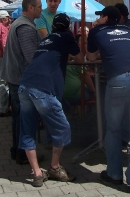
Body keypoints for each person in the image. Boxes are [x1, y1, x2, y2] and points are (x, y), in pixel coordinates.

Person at [87, 6, 130, 194]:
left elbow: (90, 57)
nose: (98, 19)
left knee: (113, 129)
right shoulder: (128, 30)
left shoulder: (96, 31)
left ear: (105, 18)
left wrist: (103, 53)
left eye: (100, 16)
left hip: (118, 79)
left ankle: (114, 174)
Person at [18, 13, 83, 187]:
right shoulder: (67, 37)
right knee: (62, 128)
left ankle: (37, 173)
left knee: (27, 128)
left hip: (24, 85)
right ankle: (54, 167)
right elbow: (80, 58)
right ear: (68, 27)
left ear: (53, 26)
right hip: (42, 89)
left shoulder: (45, 40)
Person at [0, 0, 43, 165]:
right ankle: (22, 153)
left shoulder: (19, 23)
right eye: (39, 6)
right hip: (20, 78)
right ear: (31, 7)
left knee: (18, 116)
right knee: (23, 118)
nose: (41, 9)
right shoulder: (25, 27)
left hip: (14, 76)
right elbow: (31, 58)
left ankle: (17, 149)